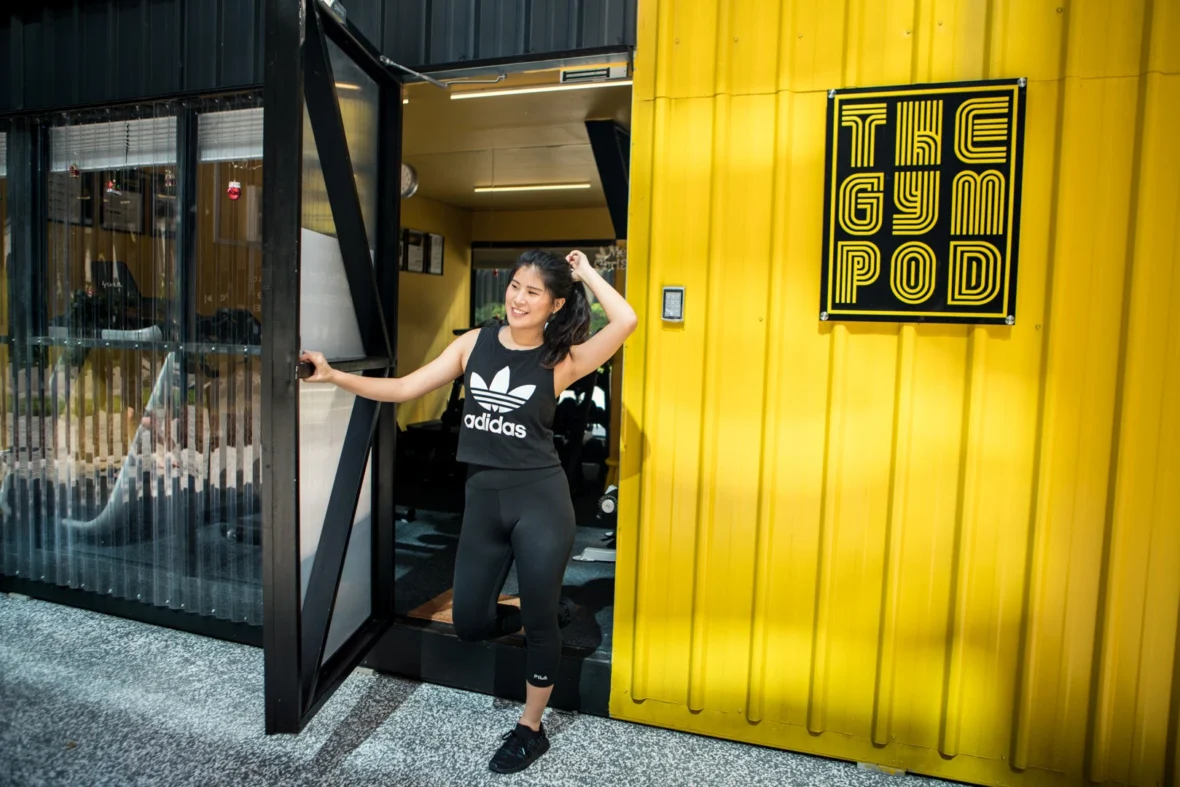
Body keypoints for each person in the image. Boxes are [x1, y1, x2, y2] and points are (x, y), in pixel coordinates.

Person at [299, 248, 637, 773]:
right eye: (515, 285)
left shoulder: (562, 358)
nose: (519, 298)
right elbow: (406, 387)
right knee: (471, 622)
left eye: (533, 291)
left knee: (542, 623)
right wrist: (333, 377)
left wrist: (588, 272)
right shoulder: (474, 343)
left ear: (554, 304)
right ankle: (542, 613)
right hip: (483, 500)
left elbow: (627, 320)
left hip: (541, 502)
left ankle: (530, 728)